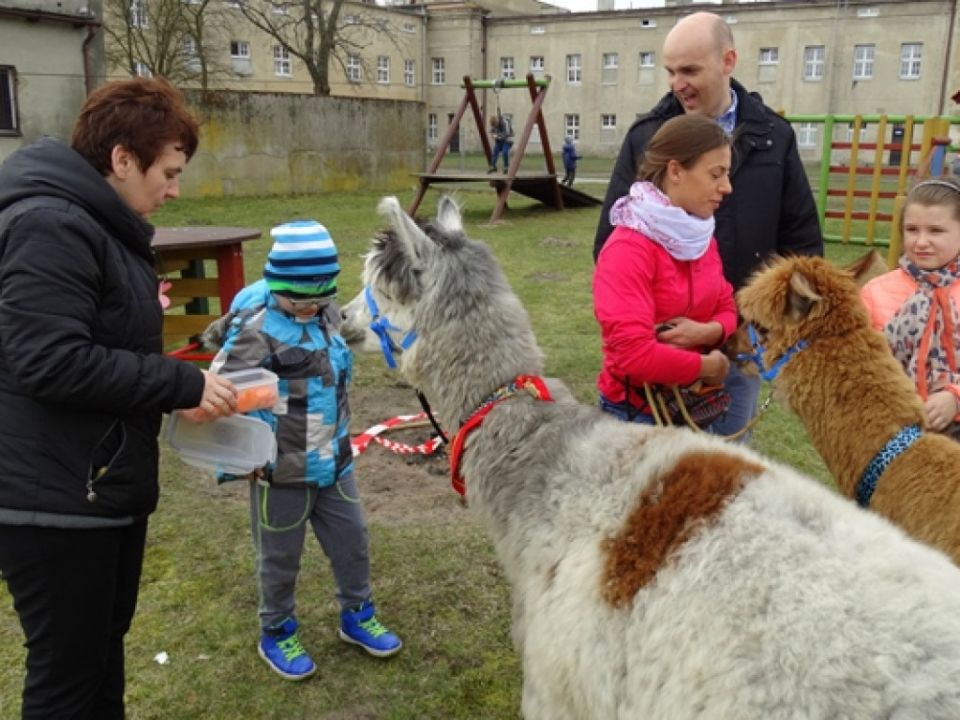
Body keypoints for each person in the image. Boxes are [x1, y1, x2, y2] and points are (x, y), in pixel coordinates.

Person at [0, 78, 238, 719]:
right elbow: (50, 361)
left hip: (94, 485)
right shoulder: (51, 225)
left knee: (100, 661)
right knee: (67, 681)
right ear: (122, 159)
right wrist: (181, 383)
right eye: (169, 173)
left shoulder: (94, 224)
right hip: (53, 500)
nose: (174, 190)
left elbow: (86, 337)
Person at [593, 11, 823, 439]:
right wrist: (668, 336)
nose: (677, 83)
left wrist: (755, 327)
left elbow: (802, 241)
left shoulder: (774, 135)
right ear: (673, 169)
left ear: (727, 61)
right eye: (671, 71)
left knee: (729, 464)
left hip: (741, 341)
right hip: (660, 368)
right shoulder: (648, 136)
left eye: (690, 70)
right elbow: (613, 239)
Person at [203, 220, 402, 681]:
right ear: (277, 286)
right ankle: (276, 631)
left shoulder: (329, 312)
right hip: (280, 474)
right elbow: (222, 398)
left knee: (353, 543)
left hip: (335, 465)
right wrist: (240, 460)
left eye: (321, 297)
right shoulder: (255, 331)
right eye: (300, 300)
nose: (312, 308)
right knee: (279, 559)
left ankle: (357, 615)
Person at [594, 114, 737, 426]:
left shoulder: (698, 236)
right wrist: (708, 367)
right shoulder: (627, 250)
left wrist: (708, 332)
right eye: (716, 174)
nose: (727, 187)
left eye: (726, 174)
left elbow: (727, 306)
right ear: (675, 171)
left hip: (688, 408)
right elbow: (634, 356)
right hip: (633, 419)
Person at [860, 177, 960, 440]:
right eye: (912, 230)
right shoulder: (875, 292)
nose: (921, 241)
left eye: (936, 231)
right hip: (892, 428)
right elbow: (859, 363)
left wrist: (955, 397)